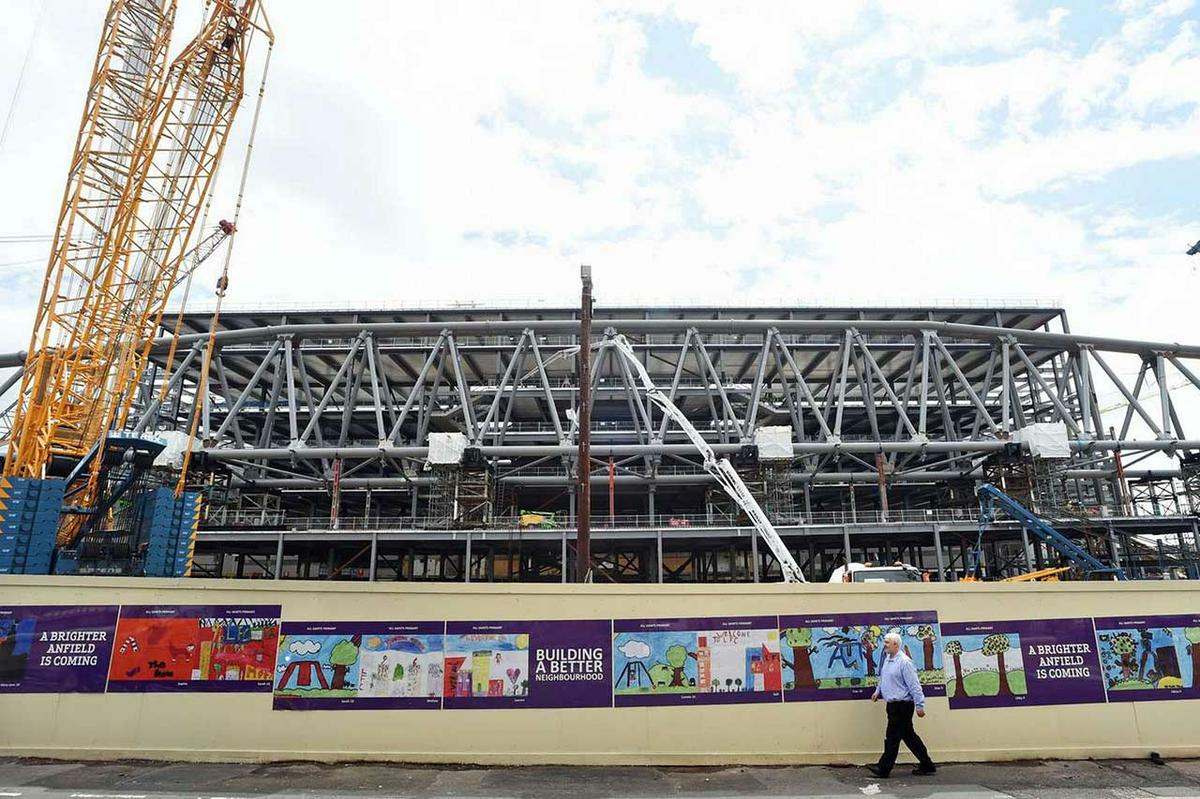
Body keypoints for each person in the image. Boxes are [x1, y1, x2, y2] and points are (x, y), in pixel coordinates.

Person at [867, 632, 936, 778]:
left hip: (903, 706)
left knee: (892, 737)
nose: (884, 645)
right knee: (909, 736)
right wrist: (877, 691)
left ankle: (884, 768)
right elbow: (883, 677)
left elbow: (914, 685)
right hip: (892, 705)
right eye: (884, 642)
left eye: (887, 642)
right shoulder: (888, 659)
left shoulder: (905, 662)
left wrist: (920, 705)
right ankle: (927, 764)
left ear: (896, 645)